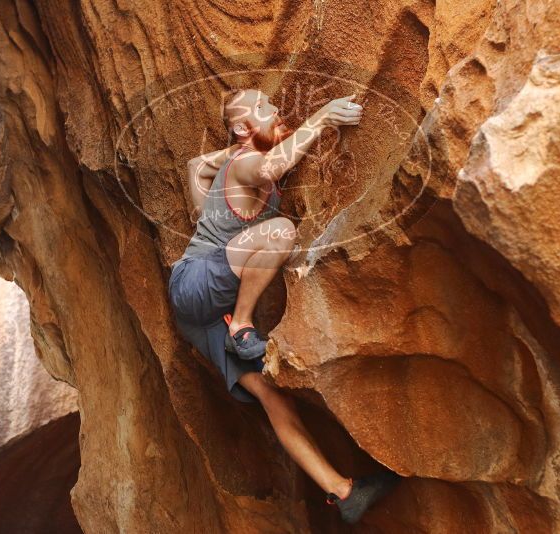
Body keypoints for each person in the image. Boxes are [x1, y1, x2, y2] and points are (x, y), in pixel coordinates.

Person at [167, 88, 399, 523]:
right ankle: (243, 324)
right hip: (196, 284)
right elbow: (271, 164)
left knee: (273, 397)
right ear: (242, 127)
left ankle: (344, 493)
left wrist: (211, 201)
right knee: (280, 231)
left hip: (198, 315)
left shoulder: (229, 159)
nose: (276, 110)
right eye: (264, 108)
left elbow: (195, 165)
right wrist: (323, 117)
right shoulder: (246, 163)